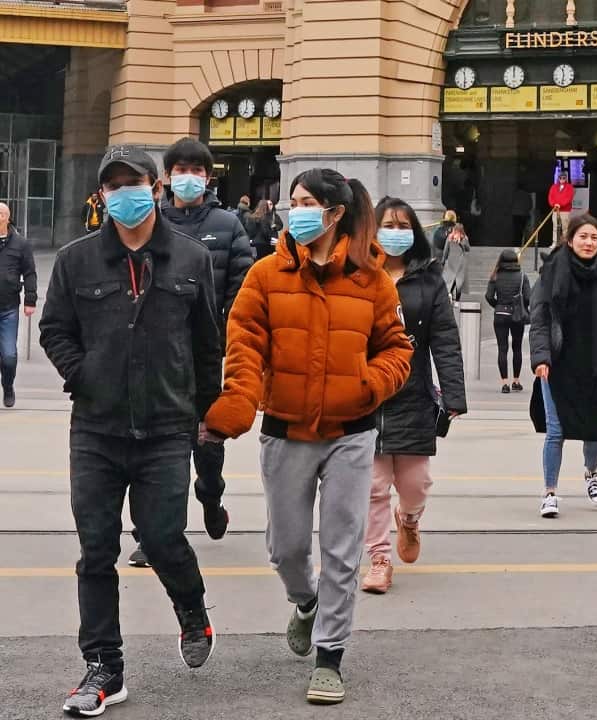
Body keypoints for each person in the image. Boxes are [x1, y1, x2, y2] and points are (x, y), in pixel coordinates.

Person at [203, 168, 412, 704]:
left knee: (343, 550)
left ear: (335, 213)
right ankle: (305, 600)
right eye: (290, 201)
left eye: (304, 202)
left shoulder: (373, 281)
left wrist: (370, 383)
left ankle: (330, 657)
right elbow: (244, 343)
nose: (292, 210)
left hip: (351, 432)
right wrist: (238, 402)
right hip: (285, 430)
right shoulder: (266, 275)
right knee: (287, 548)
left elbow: (398, 349)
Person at [39, 145, 223, 717]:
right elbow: (54, 330)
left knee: (163, 535)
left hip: (169, 427)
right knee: (96, 551)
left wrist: (206, 419)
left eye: (134, 182)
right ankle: (103, 667)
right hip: (96, 428)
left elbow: (206, 345)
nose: (125, 193)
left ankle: (192, 612)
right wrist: (82, 372)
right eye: (112, 184)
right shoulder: (76, 261)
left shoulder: (192, 260)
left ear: (156, 186)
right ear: (101, 195)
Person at [126, 137, 253, 569]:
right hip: (154, 354)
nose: (188, 178)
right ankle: (152, 535)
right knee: (158, 444)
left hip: (204, 354)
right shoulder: (148, 220)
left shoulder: (229, 224)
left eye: (196, 171)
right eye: (180, 170)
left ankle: (211, 494)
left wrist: (225, 338)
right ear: (166, 178)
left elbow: (242, 287)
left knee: (206, 440)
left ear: (208, 176)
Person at [360, 197, 467, 595]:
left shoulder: (429, 278)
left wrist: (453, 394)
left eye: (404, 226)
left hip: (414, 392)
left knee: (415, 483)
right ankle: (379, 558)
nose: (395, 232)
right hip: (366, 392)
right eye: (388, 224)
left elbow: (444, 338)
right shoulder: (358, 274)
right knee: (372, 484)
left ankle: (408, 518)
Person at [529, 214, 597, 518]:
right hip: (559, 363)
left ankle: (591, 474)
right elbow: (540, 317)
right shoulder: (552, 271)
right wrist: (540, 357)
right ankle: (550, 492)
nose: (589, 243)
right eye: (583, 237)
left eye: (594, 238)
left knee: (594, 429)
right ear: (570, 238)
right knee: (555, 431)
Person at [0, 202, 36, 408]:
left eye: (0, 214)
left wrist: (30, 299)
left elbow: (29, 272)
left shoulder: (20, 244)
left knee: (9, 357)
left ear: (7, 217)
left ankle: (8, 385)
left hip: (8, 309)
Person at [486, 248, 530, 393]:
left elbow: (489, 296)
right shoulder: (523, 276)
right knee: (517, 348)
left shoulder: (495, 276)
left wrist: (498, 305)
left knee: (502, 349)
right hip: (517, 315)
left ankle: (504, 383)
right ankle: (516, 381)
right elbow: (528, 297)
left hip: (500, 314)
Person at [441, 222, 470, 301]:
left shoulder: (455, 238)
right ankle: (455, 298)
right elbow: (468, 249)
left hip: (454, 262)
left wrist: (443, 261)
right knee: (456, 281)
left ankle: (452, 296)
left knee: (455, 280)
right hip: (458, 262)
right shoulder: (454, 238)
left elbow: (445, 251)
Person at [547, 171, 575, 249]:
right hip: (555, 210)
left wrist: (560, 204)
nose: (562, 179)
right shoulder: (553, 187)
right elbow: (550, 197)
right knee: (555, 227)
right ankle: (554, 242)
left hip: (565, 211)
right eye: (560, 177)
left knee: (565, 227)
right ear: (558, 178)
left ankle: (565, 243)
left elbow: (569, 198)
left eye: (564, 178)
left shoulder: (570, 187)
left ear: (566, 178)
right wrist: (554, 204)